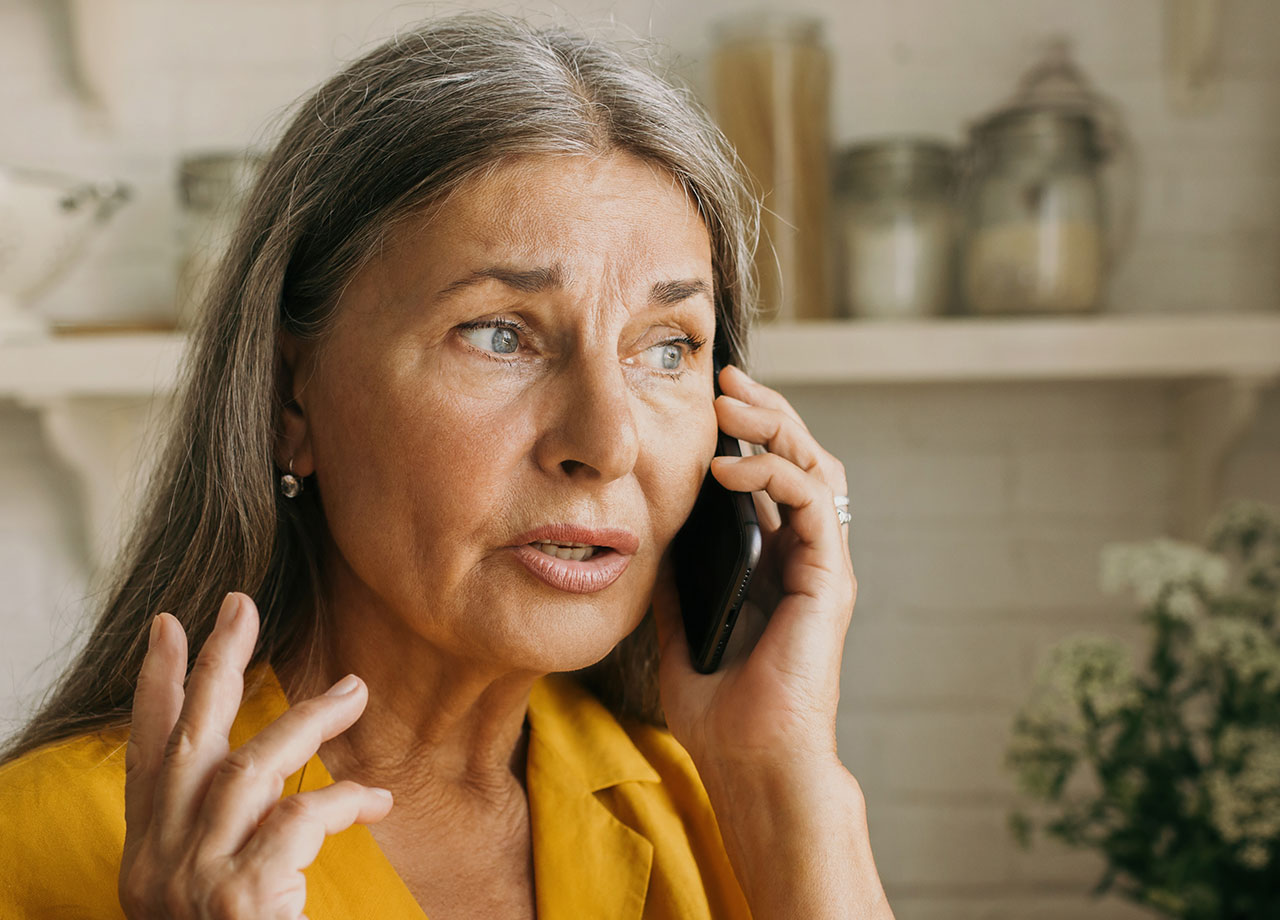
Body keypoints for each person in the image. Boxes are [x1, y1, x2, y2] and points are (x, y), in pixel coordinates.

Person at [0, 13, 893, 920]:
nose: (609, 442)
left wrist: (787, 780)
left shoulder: (718, 806)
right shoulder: (41, 844)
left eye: (667, 349)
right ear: (287, 399)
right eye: (499, 334)